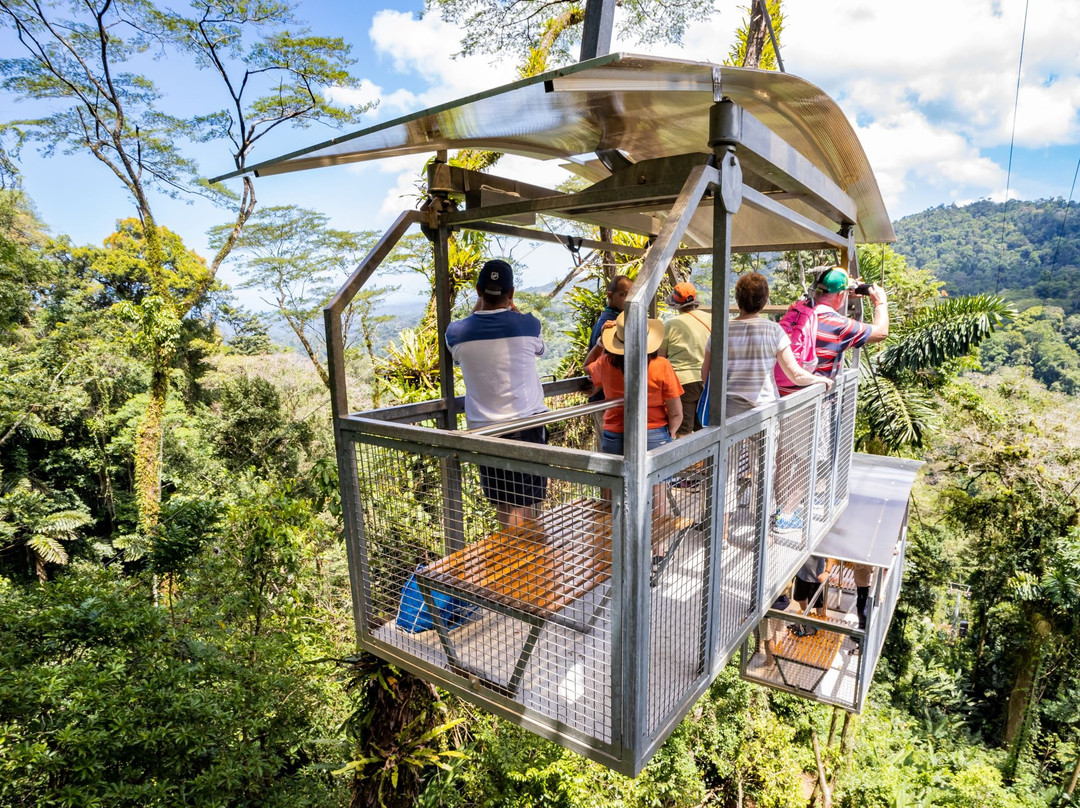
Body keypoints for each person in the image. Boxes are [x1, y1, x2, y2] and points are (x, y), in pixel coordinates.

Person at [445, 259, 548, 529]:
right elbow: (540, 350)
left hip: (484, 431)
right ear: (511, 293)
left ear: (478, 290)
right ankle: (524, 564)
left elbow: (462, 342)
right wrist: (512, 309)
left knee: (503, 503)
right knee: (527, 503)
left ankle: (513, 560)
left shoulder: (456, 333)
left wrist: (481, 305)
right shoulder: (528, 324)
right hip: (525, 425)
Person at [585, 311, 683, 455]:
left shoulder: (606, 363)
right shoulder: (662, 365)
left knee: (617, 477)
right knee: (656, 477)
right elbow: (676, 413)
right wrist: (669, 434)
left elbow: (587, 367)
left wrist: (600, 342)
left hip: (614, 434)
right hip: (653, 432)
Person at [659, 281, 711, 436]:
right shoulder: (711, 319)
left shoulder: (670, 324)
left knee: (684, 433)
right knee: (705, 430)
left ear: (676, 304)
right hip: (707, 381)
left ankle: (689, 461)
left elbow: (661, 357)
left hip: (682, 382)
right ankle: (708, 461)